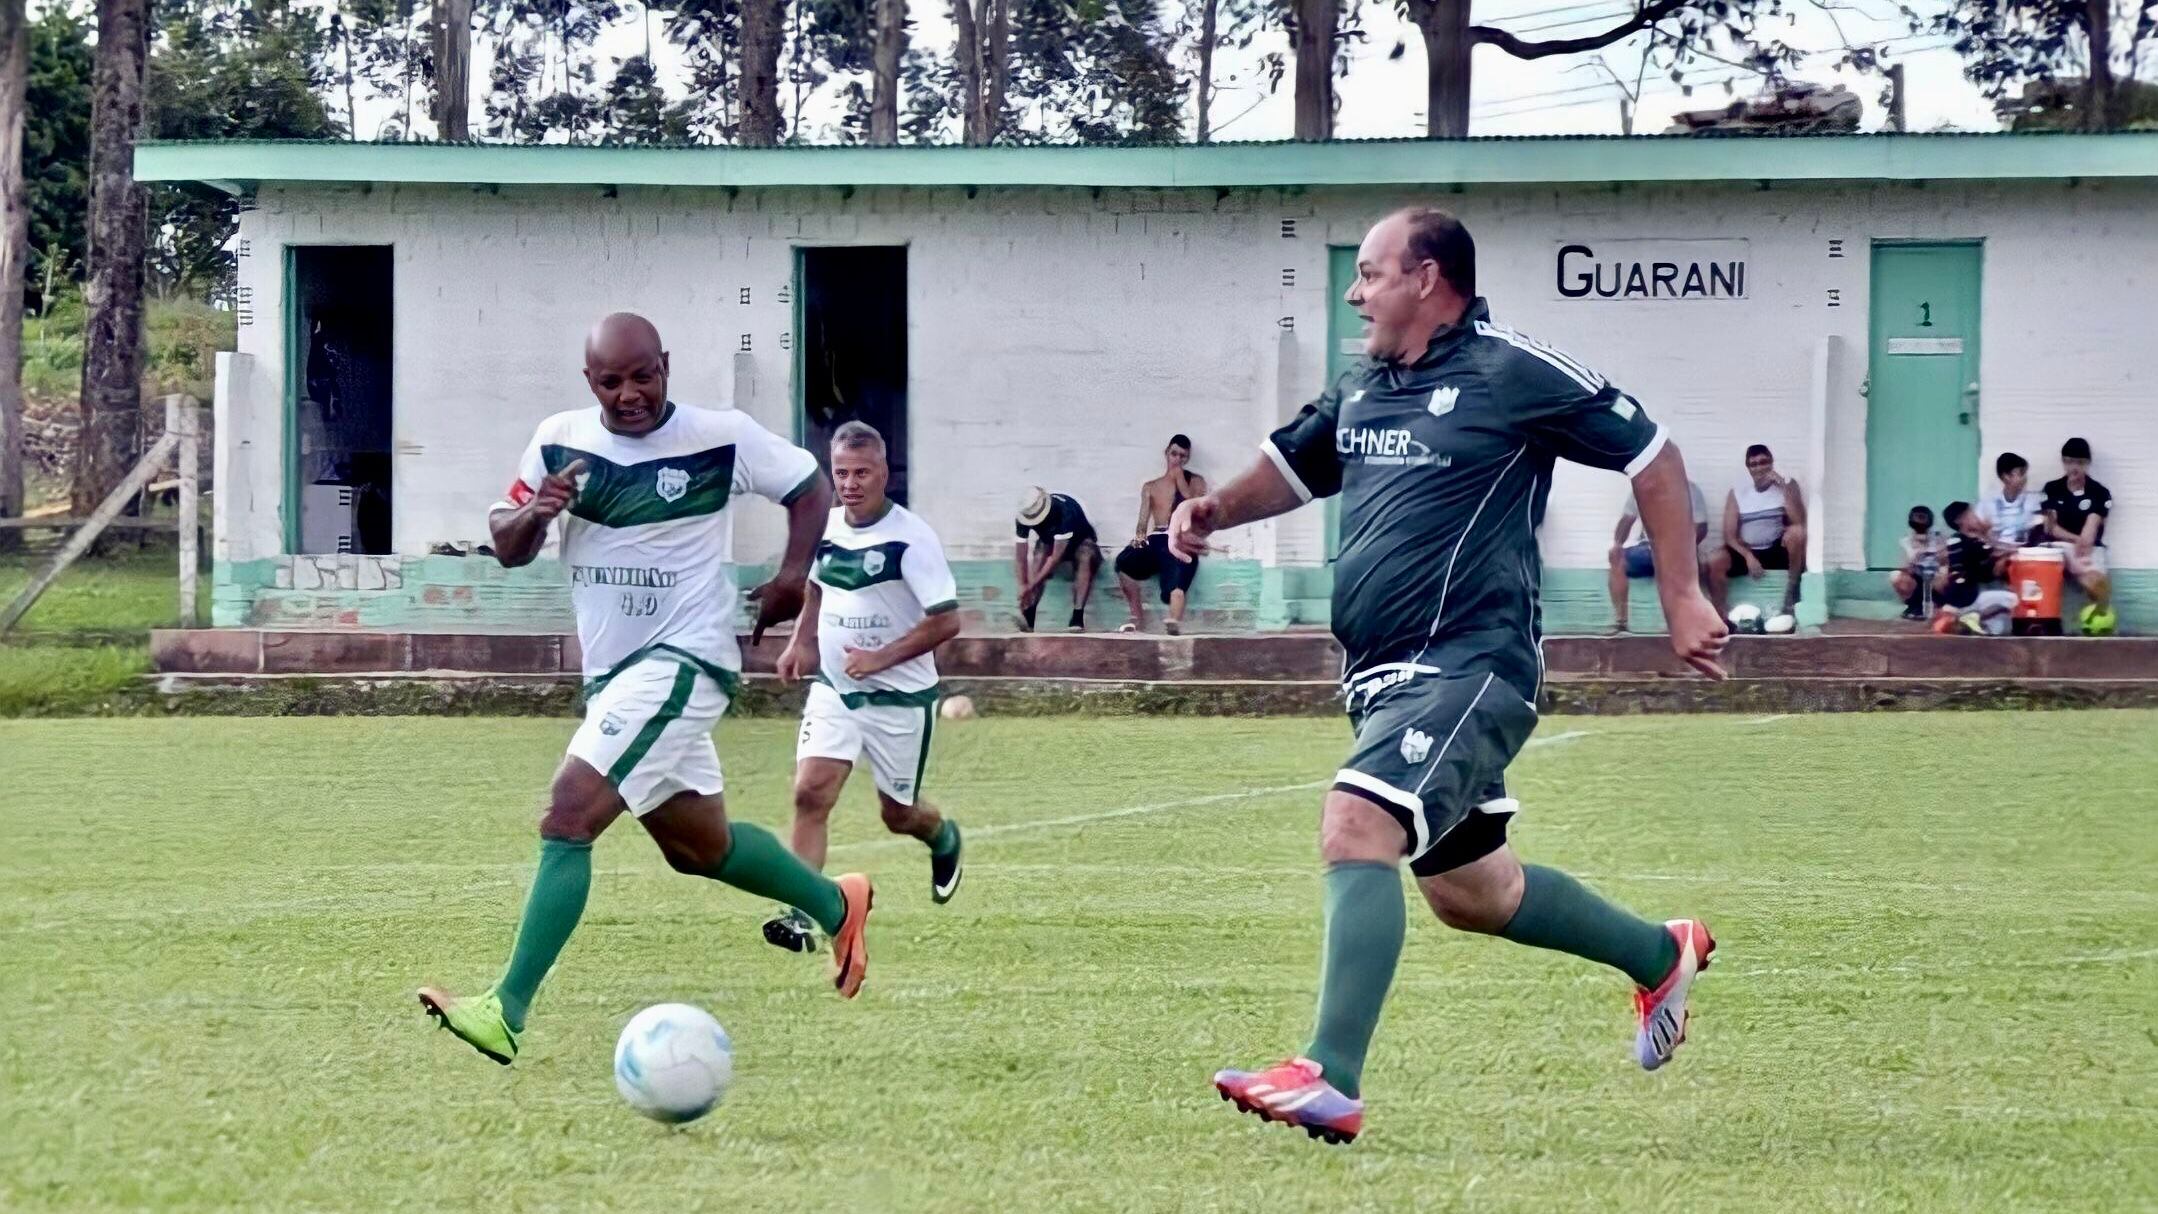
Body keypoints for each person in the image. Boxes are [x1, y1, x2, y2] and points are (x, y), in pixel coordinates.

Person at [1170, 208, 1727, 1145]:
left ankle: (1330, 1077)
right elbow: (1296, 462)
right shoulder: (1368, 383)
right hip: (1383, 676)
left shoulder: (1510, 371)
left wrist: (1679, 593)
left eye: (1371, 275)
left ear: (1429, 280)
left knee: (1357, 823)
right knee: (1473, 894)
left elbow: (1653, 454)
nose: (1356, 293)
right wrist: (1213, 511)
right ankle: (1658, 954)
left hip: (1472, 664)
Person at [416, 313, 876, 1065]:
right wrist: (536, 511)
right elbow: (507, 544)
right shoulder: (560, 439)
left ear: (666, 365)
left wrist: (794, 576)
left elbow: (809, 488)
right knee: (701, 848)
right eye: (610, 381)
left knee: (568, 815)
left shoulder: (717, 435)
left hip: (685, 662)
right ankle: (836, 904)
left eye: (643, 376)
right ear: (587, 381)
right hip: (615, 678)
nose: (629, 395)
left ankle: (506, 1009)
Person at [765, 421, 967, 953]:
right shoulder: (825, 528)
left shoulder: (911, 538)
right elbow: (815, 583)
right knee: (810, 793)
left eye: (862, 472)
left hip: (900, 698)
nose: (851, 483)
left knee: (898, 815)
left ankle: (943, 838)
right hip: (835, 688)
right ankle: (805, 914)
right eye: (841, 473)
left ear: (884, 473)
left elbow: (947, 621)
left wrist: (880, 658)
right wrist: (801, 641)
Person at [1116, 434, 1211, 635]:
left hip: (1179, 538)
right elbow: (1142, 523)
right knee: (1122, 563)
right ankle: (1136, 617)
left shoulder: (1195, 481)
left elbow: (1198, 508)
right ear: (1166, 453)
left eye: (1183, 456)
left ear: (1188, 458)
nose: (1177, 459)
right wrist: (1139, 538)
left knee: (1177, 584)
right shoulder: (1150, 486)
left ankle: (1174, 622)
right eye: (1174, 454)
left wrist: (1179, 480)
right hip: (1157, 538)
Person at [1709, 444, 1807, 616]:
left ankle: (1792, 593)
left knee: (1797, 533)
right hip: (1748, 552)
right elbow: (1729, 535)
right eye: (1753, 464)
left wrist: (1783, 487)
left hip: (1775, 550)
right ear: (1748, 468)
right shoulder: (1738, 493)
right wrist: (1748, 556)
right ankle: (1720, 613)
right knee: (1715, 559)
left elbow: (1799, 521)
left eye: (1763, 462)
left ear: (1771, 463)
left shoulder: (1787, 485)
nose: (1759, 468)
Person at [1606, 477, 1709, 632]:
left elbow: (1701, 527)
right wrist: (1617, 544)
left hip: (1678, 548)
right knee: (1615, 556)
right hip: (1646, 548)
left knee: (1673, 561)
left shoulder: (1690, 490)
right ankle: (1621, 623)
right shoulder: (1640, 487)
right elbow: (1627, 520)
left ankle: (1674, 626)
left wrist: (1683, 547)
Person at [1013, 487, 1103, 632]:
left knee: (1085, 555)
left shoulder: (1064, 512)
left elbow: (1054, 558)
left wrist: (1031, 586)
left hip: (1079, 542)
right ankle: (1029, 614)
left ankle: (1077, 616)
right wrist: (1023, 585)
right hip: (1050, 541)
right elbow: (1020, 555)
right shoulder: (1023, 515)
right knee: (1039, 553)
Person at [2041, 437, 2113, 605]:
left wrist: (2082, 542)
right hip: (2060, 547)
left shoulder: (2099, 492)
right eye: (2069, 462)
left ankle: (2097, 620)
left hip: (2089, 547)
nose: (2074, 467)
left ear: (2087, 463)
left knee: (2097, 584)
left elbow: (2091, 529)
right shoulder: (2051, 488)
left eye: (2079, 463)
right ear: (2063, 462)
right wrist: (2074, 539)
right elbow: (2050, 528)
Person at [1934, 500, 2018, 635]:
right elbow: (1996, 551)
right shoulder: (1964, 541)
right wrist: (1987, 533)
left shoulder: (1961, 540)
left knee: (1997, 627)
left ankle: (1967, 621)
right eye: (1972, 513)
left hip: (1964, 596)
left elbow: (1993, 551)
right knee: (2014, 599)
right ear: (1960, 520)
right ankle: (1969, 616)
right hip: (1967, 596)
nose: (1977, 517)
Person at [1977, 452, 2045, 548]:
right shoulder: (1988, 503)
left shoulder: (2033, 501)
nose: (2025, 478)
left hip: (2024, 552)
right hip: (1995, 553)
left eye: (2025, 473)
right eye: (2021, 473)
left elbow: (2039, 530)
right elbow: (1978, 533)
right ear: (2006, 476)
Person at [1889, 505, 1943, 621]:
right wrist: (1914, 557)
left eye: (1923, 518)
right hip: (1917, 578)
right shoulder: (1906, 541)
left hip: (1935, 578)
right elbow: (1903, 567)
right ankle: (1914, 606)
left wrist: (1937, 552)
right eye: (1917, 518)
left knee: (1945, 573)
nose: (1920, 521)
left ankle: (1938, 604)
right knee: (1896, 575)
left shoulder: (1938, 538)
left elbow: (1947, 560)